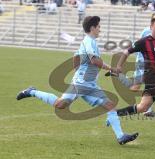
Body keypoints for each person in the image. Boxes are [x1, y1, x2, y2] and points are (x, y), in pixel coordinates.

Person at [16, 16, 138, 145]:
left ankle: (121, 136)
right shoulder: (89, 41)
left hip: (90, 84)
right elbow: (94, 61)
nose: (100, 30)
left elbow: (76, 57)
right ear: (92, 28)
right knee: (60, 104)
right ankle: (32, 91)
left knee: (110, 105)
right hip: (81, 84)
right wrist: (111, 68)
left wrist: (79, 70)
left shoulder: (89, 42)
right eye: (99, 27)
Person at [105, 13, 155, 117]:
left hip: (151, 65)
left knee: (150, 85)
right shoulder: (146, 31)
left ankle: (147, 109)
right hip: (142, 62)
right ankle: (117, 74)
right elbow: (139, 45)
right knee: (135, 88)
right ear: (151, 22)